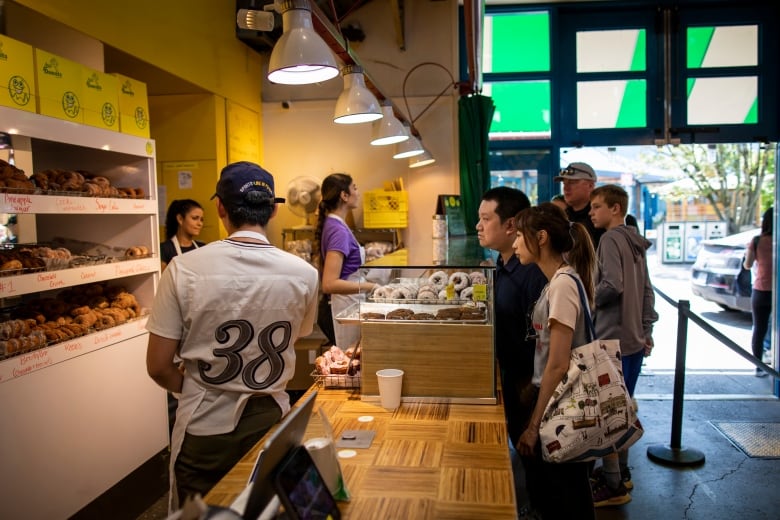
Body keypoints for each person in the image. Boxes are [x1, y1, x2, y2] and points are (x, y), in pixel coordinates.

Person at [145, 161, 319, 511]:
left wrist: (197, 385)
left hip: (204, 424)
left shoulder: (184, 268)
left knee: (201, 513)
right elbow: (297, 336)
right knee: (263, 510)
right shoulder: (304, 273)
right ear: (272, 209)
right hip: (271, 419)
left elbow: (159, 366)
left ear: (220, 207)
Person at [512, 202, 597, 520]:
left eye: (520, 235)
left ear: (542, 237)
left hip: (565, 406)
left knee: (568, 500)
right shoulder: (559, 280)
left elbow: (559, 364)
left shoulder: (562, 285)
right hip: (557, 403)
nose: (516, 243)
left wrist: (533, 426)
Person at [476, 187, 547, 516]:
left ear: (511, 225)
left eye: (486, 219)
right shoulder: (501, 266)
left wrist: (530, 391)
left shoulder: (532, 273)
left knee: (539, 468)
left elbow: (544, 342)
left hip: (527, 386)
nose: (479, 226)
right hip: (508, 377)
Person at [588, 184, 658, 506]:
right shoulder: (634, 241)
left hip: (610, 341)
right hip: (633, 341)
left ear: (615, 209)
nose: (591, 212)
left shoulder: (610, 239)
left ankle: (613, 485)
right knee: (624, 408)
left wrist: (590, 298)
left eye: (597, 206)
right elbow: (647, 291)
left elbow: (611, 285)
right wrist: (646, 329)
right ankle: (622, 474)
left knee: (610, 414)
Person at [314, 173, 377, 350]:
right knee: (351, 364)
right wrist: (371, 286)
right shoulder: (338, 230)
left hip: (350, 303)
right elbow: (329, 283)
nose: (358, 192)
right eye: (355, 188)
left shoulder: (336, 225)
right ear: (344, 195)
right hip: (345, 307)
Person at [744, 207, 774, 377]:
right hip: (776, 292)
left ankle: (758, 366)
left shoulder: (756, 241)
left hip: (761, 290)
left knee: (759, 329)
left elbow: (747, 265)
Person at [555, 162, 605, 248]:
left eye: (572, 182)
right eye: (564, 183)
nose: (566, 188)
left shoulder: (603, 217)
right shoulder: (562, 217)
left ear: (590, 186)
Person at [160, 199, 205, 270]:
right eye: (195, 218)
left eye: (201, 219)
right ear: (180, 219)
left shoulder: (203, 248)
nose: (200, 223)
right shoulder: (164, 249)